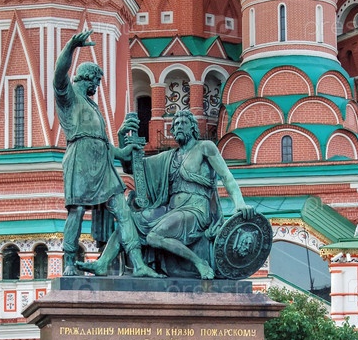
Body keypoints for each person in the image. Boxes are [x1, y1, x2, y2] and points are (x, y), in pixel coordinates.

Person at [77, 109, 254, 279]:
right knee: (128, 221)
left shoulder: (205, 147)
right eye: (176, 124)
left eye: (183, 123)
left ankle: (200, 263)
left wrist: (240, 203)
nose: (179, 126)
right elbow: (133, 167)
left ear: (193, 127)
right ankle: (103, 263)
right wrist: (122, 137)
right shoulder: (169, 156)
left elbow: (227, 177)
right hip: (171, 209)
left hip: (196, 210)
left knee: (154, 237)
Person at [54, 30, 161, 277]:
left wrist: (121, 152)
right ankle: (69, 261)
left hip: (102, 164)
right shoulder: (69, 98)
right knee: (77, 210)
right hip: (80, 160)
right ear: (88, 78)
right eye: (96, 82)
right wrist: (71, 46)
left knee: (123, 211)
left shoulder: (93, 106)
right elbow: (59, 76)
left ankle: (138, 264)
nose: (97, 86)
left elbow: (102, 142)